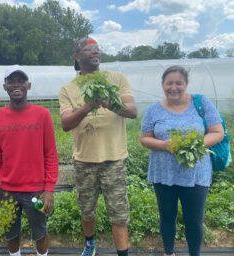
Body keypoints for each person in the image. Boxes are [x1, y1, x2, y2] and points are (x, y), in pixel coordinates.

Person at [59, 37, 137, 256]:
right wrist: (87, 107)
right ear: (77, 56)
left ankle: (123, 252)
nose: (95, 52)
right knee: (87, 210)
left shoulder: (117, 78)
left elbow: (132, 111)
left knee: (118, 212)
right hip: (84, 160)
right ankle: (90, 244)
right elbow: (65, 124)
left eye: (97, 49)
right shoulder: (68, 89)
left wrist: (108, 102)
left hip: (114, 158)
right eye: (89, 49)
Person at [140, 65, 224, 256]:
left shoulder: (201, 103)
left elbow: (217, 132)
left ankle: (195, 253)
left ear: (186, 84)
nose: (174, 87)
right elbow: (144, 138)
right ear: (163, 84)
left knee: (194, 220)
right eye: (169, 83)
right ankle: (169, 252)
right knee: (167, 217)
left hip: (195, 174)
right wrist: (164, 145)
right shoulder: (154, 110)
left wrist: (193, 144)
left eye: (179, 83)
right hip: (164, 174)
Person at [0, 65, 59, 256]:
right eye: (11, 81)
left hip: (36, 191)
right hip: (8, 191)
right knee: (10, 232)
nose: (16, 85)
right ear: (5, 87)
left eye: (21, 81)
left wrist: (49, 189)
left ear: (29, 85)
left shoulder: (42, 115)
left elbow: (50, 153)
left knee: (40, 231)